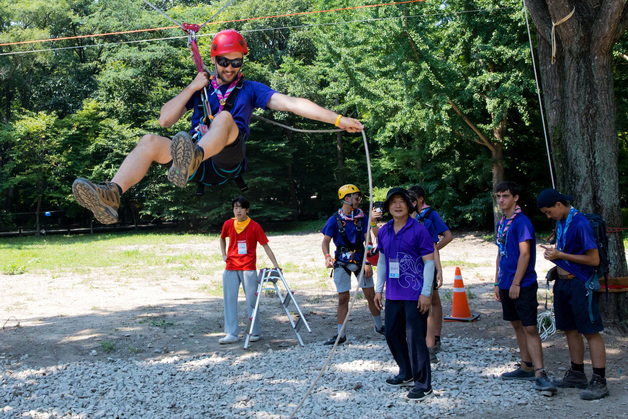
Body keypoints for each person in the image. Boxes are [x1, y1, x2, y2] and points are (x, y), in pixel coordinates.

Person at [72, 29, 363, 224]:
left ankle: (192, 156)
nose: (229, 67)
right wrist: (190, 88)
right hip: (193, 162)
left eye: (235, 62)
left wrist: (338, 119)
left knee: (224, 118)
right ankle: (112, 194)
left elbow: (292, 103)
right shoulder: (202, 88)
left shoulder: (250, 89)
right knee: (149, 140)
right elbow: (164, 119)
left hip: (226, 158)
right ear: (214, 60)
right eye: (223, 61)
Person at [537, 188, 609, 400]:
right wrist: (555, 255)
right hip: (563, 283)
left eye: (549, 212)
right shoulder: (561, 222)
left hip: (580, 283)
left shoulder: (580, 223)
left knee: (590, 331)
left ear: (559, 204)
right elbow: (566, 251)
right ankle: (577, 373)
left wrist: (560, 254)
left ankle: (599, 380)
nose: (549, 217)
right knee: (569, 329)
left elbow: (594, 260)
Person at [492, 182, 556, 395]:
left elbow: (525, 254)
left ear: (516, 198)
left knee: (529, 327)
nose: (501, 200)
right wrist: (496, 282)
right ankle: (526, 365)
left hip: (522, 284)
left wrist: (516, 283)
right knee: (517, 324)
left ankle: (540, 373)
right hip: (505, 283)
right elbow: (499, 253)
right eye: (498, 196)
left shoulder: (522, 222)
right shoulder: (502, 222)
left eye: (505, 196)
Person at [374, 187, 435, 401]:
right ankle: (406, 372)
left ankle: (423, 384)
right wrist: (378, 288)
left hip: (415, 293)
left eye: (402, 201)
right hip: (393, 293)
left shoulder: (419, 230)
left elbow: (429, 263)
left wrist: (426, 293)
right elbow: (382, 260)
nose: (397, 205)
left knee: (415, 338)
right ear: (388, 207)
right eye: (393, 202)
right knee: (391, 333)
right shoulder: (384, 231)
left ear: (410, 205)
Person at [321, 184, 383, 345]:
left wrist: (368, 262)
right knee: (343, 298)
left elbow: (368, 241)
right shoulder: (334, 220)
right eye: (356, 197)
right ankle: (341, 334)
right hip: (341, 262)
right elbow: (325, 241)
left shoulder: (362, 217)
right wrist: (327, 256)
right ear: (347, 198)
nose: (358, 200)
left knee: (370, 295)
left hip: (361, 260)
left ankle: (380, 327)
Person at [218, 196, 280, 344]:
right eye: (235, 208)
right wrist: (224, 254)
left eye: (240, 208)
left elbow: (265, 246)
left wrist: (276, 265)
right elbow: (222, 238)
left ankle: (254, 331)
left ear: (247, 210)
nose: (237, 211)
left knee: (252, 300)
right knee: (229, 300)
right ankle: (231, 333)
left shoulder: (254, 226)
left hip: (248, 268)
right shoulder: (228, 224)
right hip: (231, 267)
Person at [407, 185, 452, 357]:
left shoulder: (428, 220)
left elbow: (436, 244)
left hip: (426, 267)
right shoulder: (397, 223)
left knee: (430, 302)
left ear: (419, 201)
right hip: (409, 270)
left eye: (412, 202)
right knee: (411, 306)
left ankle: (432, 342)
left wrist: (437, 268)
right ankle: (415, 343)